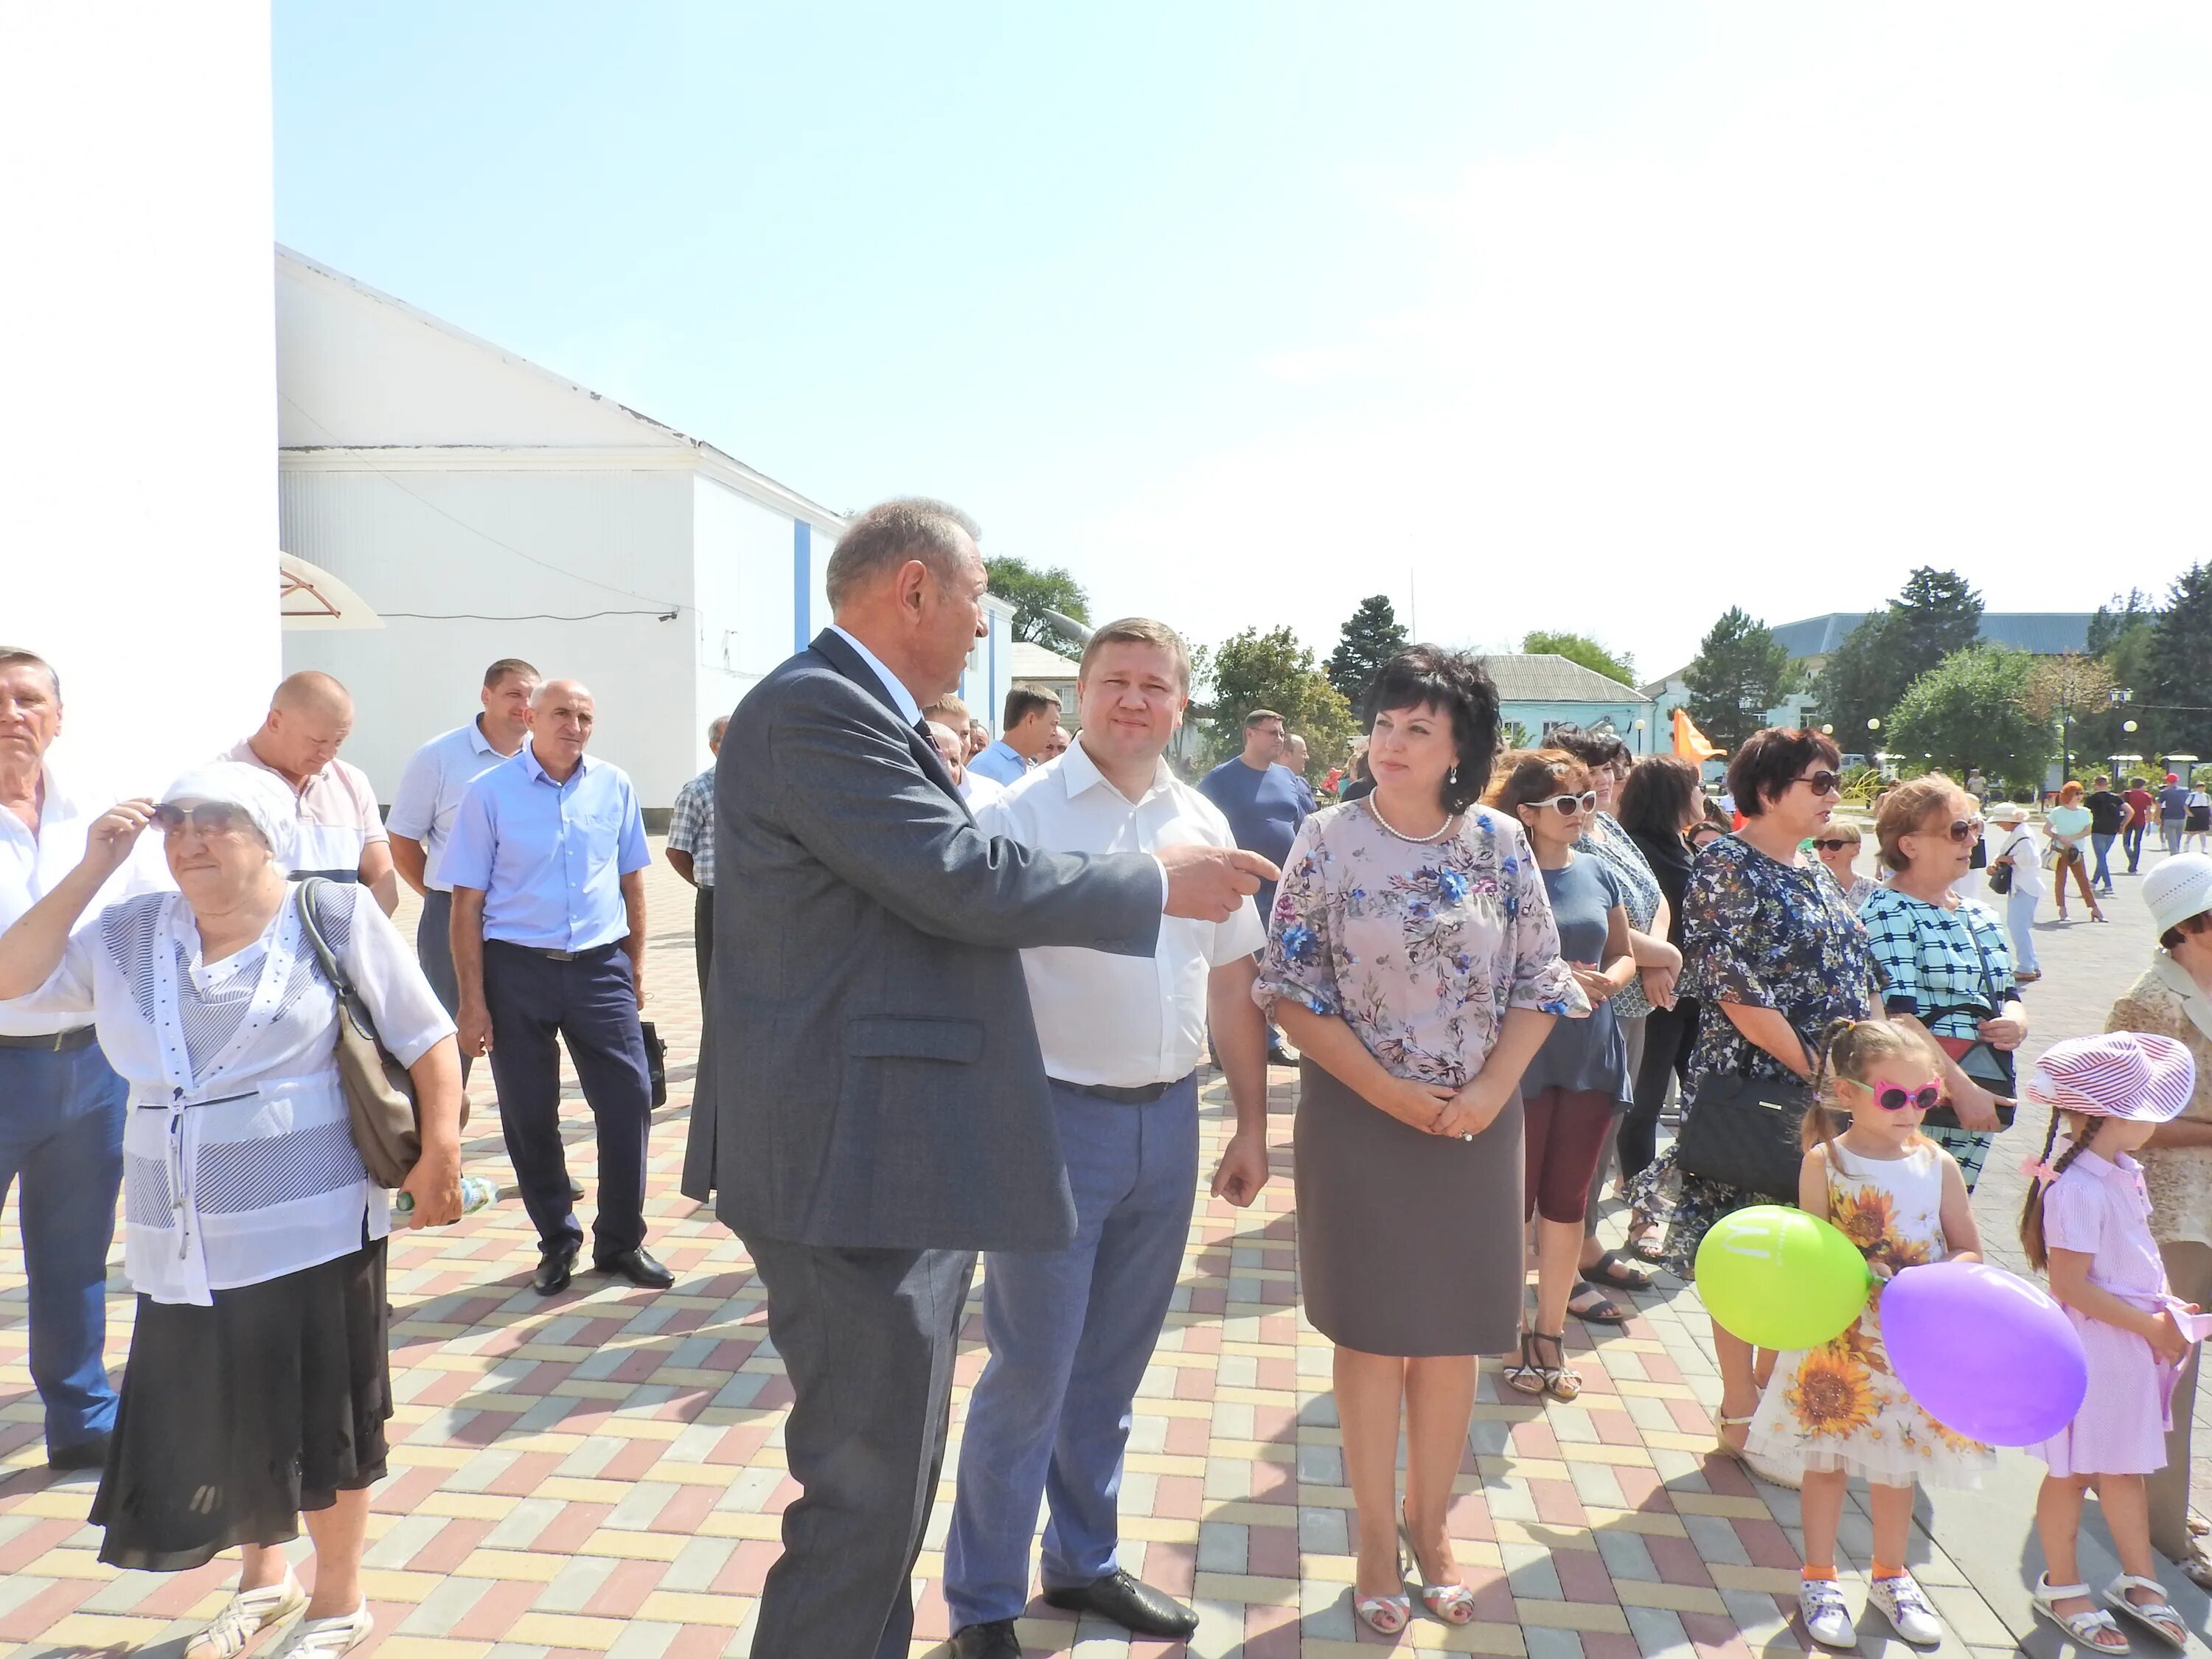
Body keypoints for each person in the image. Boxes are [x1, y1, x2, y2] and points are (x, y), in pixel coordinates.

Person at [690, 498, 1272, 1659]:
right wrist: (1154, 884)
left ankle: (1062, 1564)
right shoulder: (821, 709)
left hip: (887, 1148)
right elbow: (960, 875)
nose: (978, 627)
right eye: (974, 598)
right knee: (864, 1498)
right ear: (913, 589)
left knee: (886, 1484)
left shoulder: (854, 710)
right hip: (848, 1159)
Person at [0, 762, 463, 1659]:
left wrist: (441, 1154)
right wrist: (95, 866)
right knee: (231, 1411)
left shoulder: (327, 915)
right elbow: (11, 981)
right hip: (181, 1236)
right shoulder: (132, 930)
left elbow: (426, 1034)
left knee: (322, 1417)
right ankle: (264, 1579)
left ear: (267, 838)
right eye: (177, 825)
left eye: (217, 822)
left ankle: (340, 1601)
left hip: (314, 1222)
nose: (192, 841)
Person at [945, 618, 1272, 1658]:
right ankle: (983, 1604)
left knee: (1113, 1369)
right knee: (1029, 1371)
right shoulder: (1020, 816)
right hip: (1053, 1119)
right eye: (1116, 681)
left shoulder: (1203, 815)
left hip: (1168, 1122)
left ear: (1183, 701)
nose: (1135, 700)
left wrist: (1252, 1121)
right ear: (1079, 694)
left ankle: (1081, 1559)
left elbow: (1230, 983)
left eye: (1156, 684)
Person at [1258, 646, 1580, 1636]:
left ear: (1459, 751)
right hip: (1360, 1117)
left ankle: (1430, 1526)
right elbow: (1290, 988)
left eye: (1417, 730)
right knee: (1370, 1334)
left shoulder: (1497, 842)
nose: (1389, 743)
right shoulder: (1327, 837)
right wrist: (1390, 1092)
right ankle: (1369, 1536)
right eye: (1384, 724)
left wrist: (1487, 1088)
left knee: (1450, 1338)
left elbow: (1540, 979)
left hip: (1478, 1122)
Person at [1623, 729, 1881, 1470]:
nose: (1833, 792)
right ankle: (1742, 1406)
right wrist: (1817, 1073)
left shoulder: (1813, 870)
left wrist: (1856, 1071)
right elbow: (1734, 988)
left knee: (1805, 1246)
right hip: (1757, 1086)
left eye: (1835, 781)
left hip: (1829, 1093)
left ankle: (1773, 1394)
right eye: (1819, 781)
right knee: (1749, 1245)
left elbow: (1853, 974)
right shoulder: (1727, 863)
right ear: (1767, 792)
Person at [1749, 1018, 1992, 1650]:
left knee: (1897, 1465)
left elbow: (1970, 1250)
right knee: (1826, 1464)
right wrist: (1857, 1273)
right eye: (1894, 1097)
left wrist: (1930, 1278)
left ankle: (1890, 1575)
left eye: (1924, 1097)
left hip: (1910, 1341)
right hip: (1840, 1339)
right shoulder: (1825, 1162)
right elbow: (1810, 1252)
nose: (1911, 1111)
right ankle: (1820, 1577)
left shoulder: (1937, 1164)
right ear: (1848, 1092)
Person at [444, 679, 669, 1298]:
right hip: (517, 969)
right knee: (529, 1113)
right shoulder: (487, 794)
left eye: (586, 717)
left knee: (629, 1102)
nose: (575, 725)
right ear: (531, 716)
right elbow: (466, 904)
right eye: (563, 714)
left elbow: (633, 884)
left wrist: (636, 967)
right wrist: (472, 1000)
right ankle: (557, 1240)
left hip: (600, 968)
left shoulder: (614, 785)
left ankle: (621, 1241)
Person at [0, 647, 163, 1471]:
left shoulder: (96, 814)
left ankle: (81, 1416)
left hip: (90, 1065)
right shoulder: (101, 840)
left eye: (30, 699)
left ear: (58, 719)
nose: (13, 714)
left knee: (74, 1258)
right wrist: (94, 864)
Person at [2020, 1033, 2198, 1654]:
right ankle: (2062, 1582)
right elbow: (2071, 1285)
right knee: (2071, 1472)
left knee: (2124, 1467)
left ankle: (2139, 1580)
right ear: (2116, 1115)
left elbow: (2132, 1259)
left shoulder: (2121, 1172)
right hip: (2094, 1349)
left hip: (2126, 1346)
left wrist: (2165, 1308)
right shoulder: (2077, 1189)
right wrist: (2149, 1326)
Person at [1486, 750, 1632, 1381]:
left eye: (1587, 801)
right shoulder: (1500, 873)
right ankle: (1511, 1331)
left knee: (1569, 1202)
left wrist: (1607, 980)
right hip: (1523, 1058)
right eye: (1565, 804)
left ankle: (1551, 1335)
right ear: (1527, 814)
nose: (1581, 813)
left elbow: (1626, 953)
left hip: (1591, 1055)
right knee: (1515, 1205)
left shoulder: (1599, 872)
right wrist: (1545, 979)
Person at [2103, 855, 2212, 1588]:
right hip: (2171, 1205)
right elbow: (2117, 1116)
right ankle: (2163, 1535)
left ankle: (2148, 1503)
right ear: (2191, 928)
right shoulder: (2152, 1000)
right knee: (2170, 1369)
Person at [1545, 726, 1676, 1321]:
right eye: (1593, 768)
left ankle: (1588, 1245)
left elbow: (1651, 897)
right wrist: (1658, 959)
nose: (1606, 779)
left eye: (1612, 768)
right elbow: (1587, 924)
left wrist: (1657, 960)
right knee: (1577, 1149)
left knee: (1602, 1138)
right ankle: (1560, 1269)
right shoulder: (1561, 834)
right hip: (1591, 1010)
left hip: (1632, 1000)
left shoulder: (1607, 825)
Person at [1857, 777, 2025, 1193]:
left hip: (1984, 1084)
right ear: (1909, 844)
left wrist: (2018, 1021)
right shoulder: (1886, 910)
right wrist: (1958, 1089)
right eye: (1957, 830)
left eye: (1975, 827)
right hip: (1913, 1100)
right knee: (1902, 1222)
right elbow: (1897, 1020)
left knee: (1952, 1216)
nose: (1971, 840)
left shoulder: (1979, 914)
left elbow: (2007, 993)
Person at [386, 657, 540, 1065]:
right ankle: (444, 1127)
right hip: (450, 917)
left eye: (530, 696)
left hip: (521, 919)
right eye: (513, 694)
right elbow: (401, 838)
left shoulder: (540, 760)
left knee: (522, 1037)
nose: (523, 704)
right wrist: (443, 895)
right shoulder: (439, 757)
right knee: (452, 1036)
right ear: (485, 695)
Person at [1615, 755, 1708, 1251]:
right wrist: (1653, 962)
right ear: (1673, 793)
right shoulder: (1639, 850)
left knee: (1698, 1103)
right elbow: (1632, 916)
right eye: (1696, 785)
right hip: (1658, 997)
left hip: (1694, 997)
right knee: (1644, 1107)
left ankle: (1653, 1192)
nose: (1705, 793)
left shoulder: (1684, 845)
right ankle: (1641, 1216)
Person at [226, 672, 397, 915]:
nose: (328, 754)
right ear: (275, 722)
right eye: (318, 741)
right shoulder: (221, 783)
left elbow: (384, 883)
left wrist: (354, 941)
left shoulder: (353, 783)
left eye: (338, 741)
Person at [1202, 708, 1311, 1065]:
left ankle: (1268, 1040)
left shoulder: (1289, 780)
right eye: (1271, 733)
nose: (1279, 739)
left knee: (1272, 968)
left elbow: (1304, 824)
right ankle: (1221, 1045)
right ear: (1250, 734)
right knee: (1234, 967)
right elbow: (1202, 828)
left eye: (1281, 733)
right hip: (1240, 888)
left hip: (1282, 891)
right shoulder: (1222, 779)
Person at [666, 714, 726, 999]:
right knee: (715, 984)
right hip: (716, 900)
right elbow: (677, 851)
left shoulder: (761, 783)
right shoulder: (698, 790)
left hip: (757, 898)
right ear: (714, 747)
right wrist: (704, 882)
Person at [1984, 801, 2045, 983]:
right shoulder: (2020, 833)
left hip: (2024, 886)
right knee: (2019, 927)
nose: (1999, 826)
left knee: (2018, 927)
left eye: (2000, 822)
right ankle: (2031, 964)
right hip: (2022, 886)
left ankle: (2026, 967)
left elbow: (2029, 859)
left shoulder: (2023, 835)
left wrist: (2003, 859)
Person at [969, 685, 1061, 785]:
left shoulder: (1028, 766)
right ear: (1031, 720)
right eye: (1053, 724)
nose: (1054, 733)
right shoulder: (985, 766)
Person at [2044, 782, 2104, 922]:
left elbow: (2088, 831)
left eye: (2081, 793)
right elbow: (2046, 830)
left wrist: (2072, 838)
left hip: (2076, 851)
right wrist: (2059, 837)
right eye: (2076, 794)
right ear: (2068, 795)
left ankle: (2094, 908)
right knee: (2061, 879)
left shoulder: (2086, 812)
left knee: (2083, 880)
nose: (2079, 796)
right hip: (2060, 850)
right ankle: (2062, 909)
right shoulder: (2057, 812)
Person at [1808, 818, 1877, 909]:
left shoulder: (1874, 890)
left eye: (1834, 844)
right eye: (1820, 844)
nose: (1825, 850)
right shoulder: (1809, 888)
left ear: (1855, 849)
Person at [2087, 775, 2127, 897]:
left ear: (2095, 784)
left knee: (2101, 858)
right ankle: (2094, 882)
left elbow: (2085, 814)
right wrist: (2123, 825)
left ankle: (2108, 885)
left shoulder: (2091, 799)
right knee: (2102, 857)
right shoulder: (2116, 798)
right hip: (2112, 830)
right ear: (2107, 784)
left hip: (2097, 830)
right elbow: (2130, 811)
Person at [2125, 776, 2156, 873]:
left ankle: (2131, 858)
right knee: (2137, 843)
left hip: (2128, 820)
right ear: (2142, 786)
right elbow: (2148, 811)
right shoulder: (2147, 796)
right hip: (2140, 820)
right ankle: (2134, 865)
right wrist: (2149, 824)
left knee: (2126, 843)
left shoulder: (2126, 795)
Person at [2160, 771, 2191, 858]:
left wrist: (2157, 817)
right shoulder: (2185, 791)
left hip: (2169, 818)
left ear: (2168, 782)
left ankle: (2174, 856)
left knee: (2171, 840)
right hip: (2181, 817)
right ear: (2177, 781)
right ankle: (2176, 854)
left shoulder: (2164, 792)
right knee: (2178, 839)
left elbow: (2159, 806)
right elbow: (2187, 803)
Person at [2189, 781, 2212, 856]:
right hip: (2194, 812)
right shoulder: (2192, 795)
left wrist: (2210, 815)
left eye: (2202, 787)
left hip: (2204, 812)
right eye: (2199, 787)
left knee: (2203, 831)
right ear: (2196, 788)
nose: (2201, 789)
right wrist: (2188, 812)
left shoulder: (2207, 796)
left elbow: (2209, 806)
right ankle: (2186, 844)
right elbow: (2186, 805)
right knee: (2192, 831)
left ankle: (2204, 847)